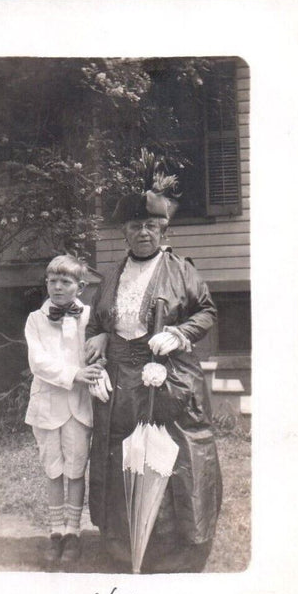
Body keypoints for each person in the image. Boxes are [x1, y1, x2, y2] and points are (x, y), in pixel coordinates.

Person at [85, 190, 222, 573]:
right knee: (122, 453)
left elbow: (206, 310)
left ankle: (177, 548)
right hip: (119, 382)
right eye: (135, 226)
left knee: (172, 452)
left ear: (162, 229)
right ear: (124, 233)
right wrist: (97, 336)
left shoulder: (181, 270)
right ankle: (123, 545)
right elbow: (98, 319)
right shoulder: (112, 274)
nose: (143, 232)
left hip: (170, 376)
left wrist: (180, 334)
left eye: (150, 225)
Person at [24, 254, 103, 565]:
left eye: (65, 281)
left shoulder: (89, 317)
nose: (57, 286)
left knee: (75, 469)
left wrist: (98, 361)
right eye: (52, 281)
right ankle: (55, 531)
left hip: (79, 406)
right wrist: (73, 375)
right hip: (47, 405)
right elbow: (38, 361)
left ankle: (74, 532)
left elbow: (96, 350)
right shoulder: (35, 319)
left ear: (79, 287)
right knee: (53, 470)